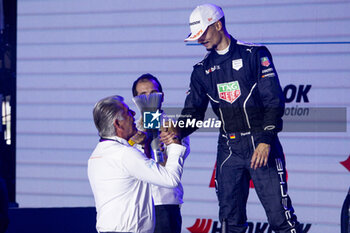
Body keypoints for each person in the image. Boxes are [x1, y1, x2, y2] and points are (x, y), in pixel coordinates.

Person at [178, 3, 301, 233]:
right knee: (229, 223)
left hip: (261, 142)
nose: (199, 40)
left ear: (218, 24)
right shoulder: (201, 70)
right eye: (195, 36)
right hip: (228, 148)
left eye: (202, 33)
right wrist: (176, 131)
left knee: (281, 220)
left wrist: (265, 140)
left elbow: (273, 101)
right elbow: (193, 113)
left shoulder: (255, 54)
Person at [87, 95, 186, 233]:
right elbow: (171, 179)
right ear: (118, 124)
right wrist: (175, 142)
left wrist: (146, 145)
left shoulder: (97, 155)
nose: (134, 114)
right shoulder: (124, 154)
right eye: (128, 112)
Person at [131, 73, 190, 233]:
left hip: (163, 202)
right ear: (135, 100)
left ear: (162, 96)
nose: (148, 98)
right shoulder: (131, 129)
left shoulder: (174, 127)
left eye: (153, 93)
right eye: (143, 95)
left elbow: (171, 163)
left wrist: (151, 142)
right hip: (136, 204)